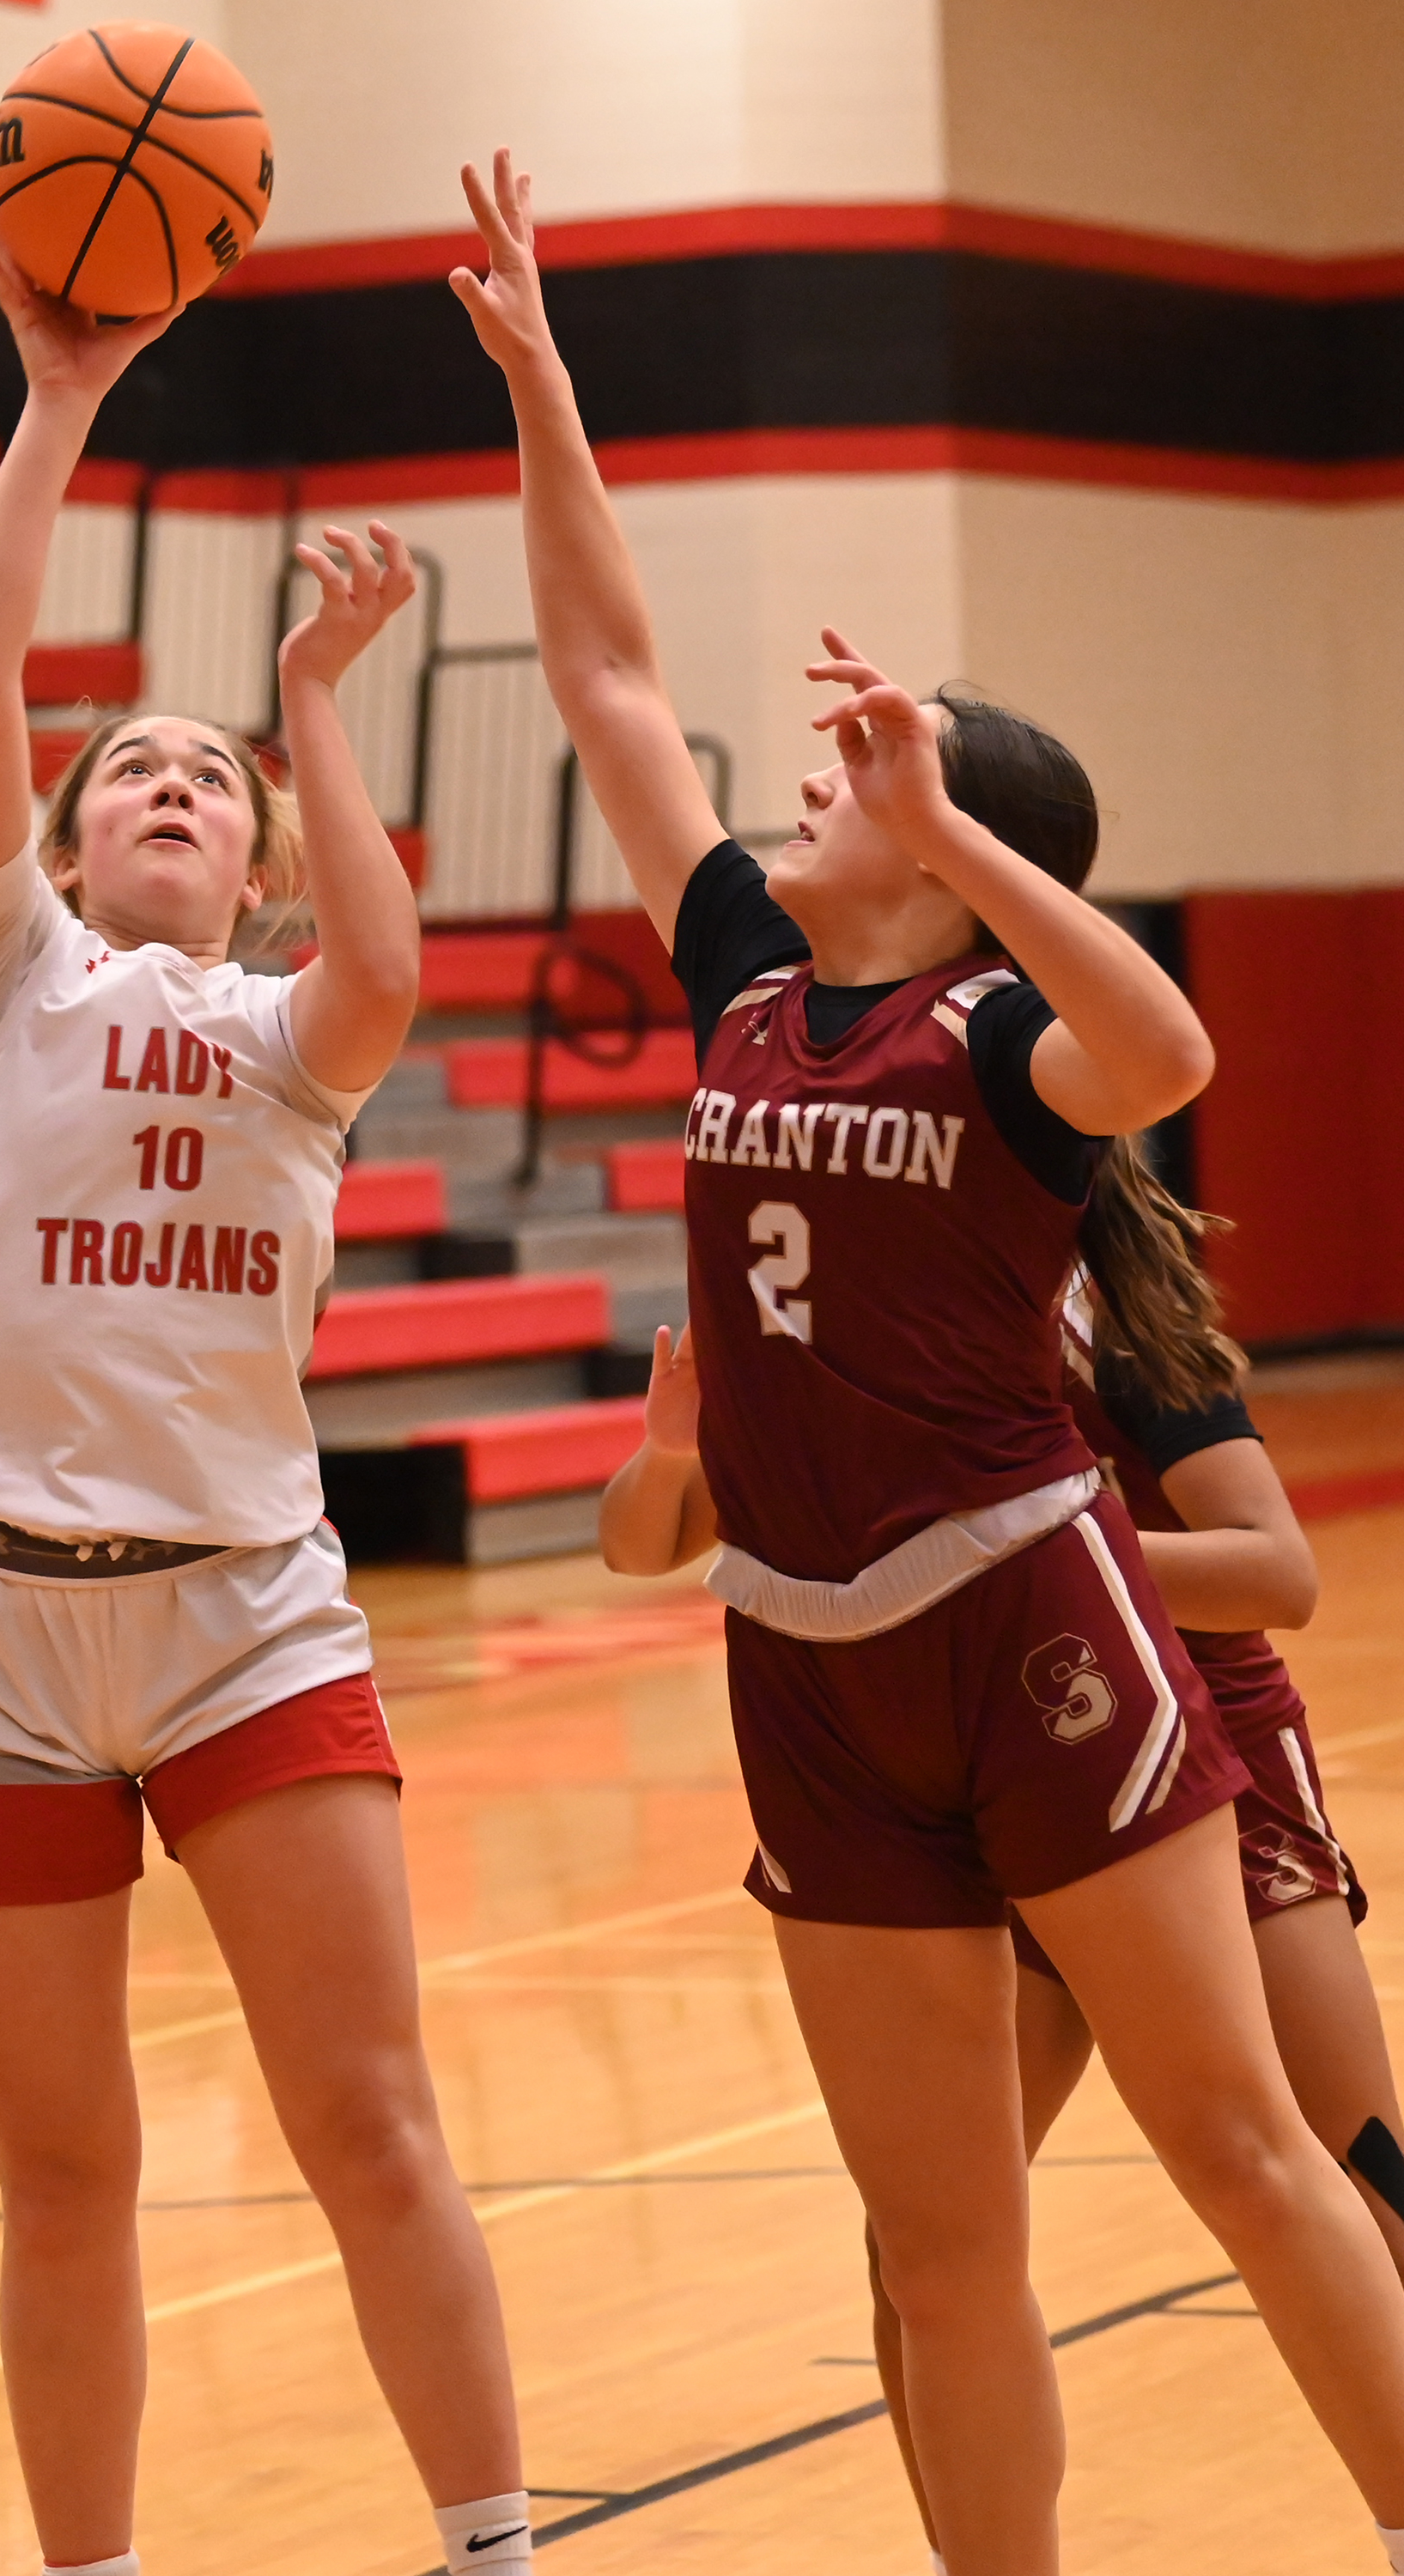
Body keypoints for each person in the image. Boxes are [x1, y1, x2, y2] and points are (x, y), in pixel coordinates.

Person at [454, 148, 1404, 2574]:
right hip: (799, 1646)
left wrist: (961, 846)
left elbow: (1169, 1041)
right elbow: (603, 679)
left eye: (879, 763)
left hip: (1030, 1616)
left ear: (966, 830)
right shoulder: (747, 977)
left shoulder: (1005, 1041)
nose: (816, 780)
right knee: (937, 2242)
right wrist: (551, 393)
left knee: (1242, 2153)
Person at [0, 231, 528, 2576]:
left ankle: (492, 2548)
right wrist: (61, 396)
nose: (168, 783)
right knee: (66, 2177)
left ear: (251, 863)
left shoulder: (287, 1033)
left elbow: (386, 964)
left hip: (248, 1616)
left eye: (209, 780)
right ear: (60, 854)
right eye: (128, 769)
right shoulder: (0, 977)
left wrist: (314, 704)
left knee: (372, 2123)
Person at [604, 1235, 1404, 2569]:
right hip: (985, 1769)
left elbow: (1278, 1573)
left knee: (1347, 2181)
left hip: (1195, 1745)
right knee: (919, 2248)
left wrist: (1029, 1561)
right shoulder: (829, 1326)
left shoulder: (1109, 1315)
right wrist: (679, 1450)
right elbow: (645, 1537)